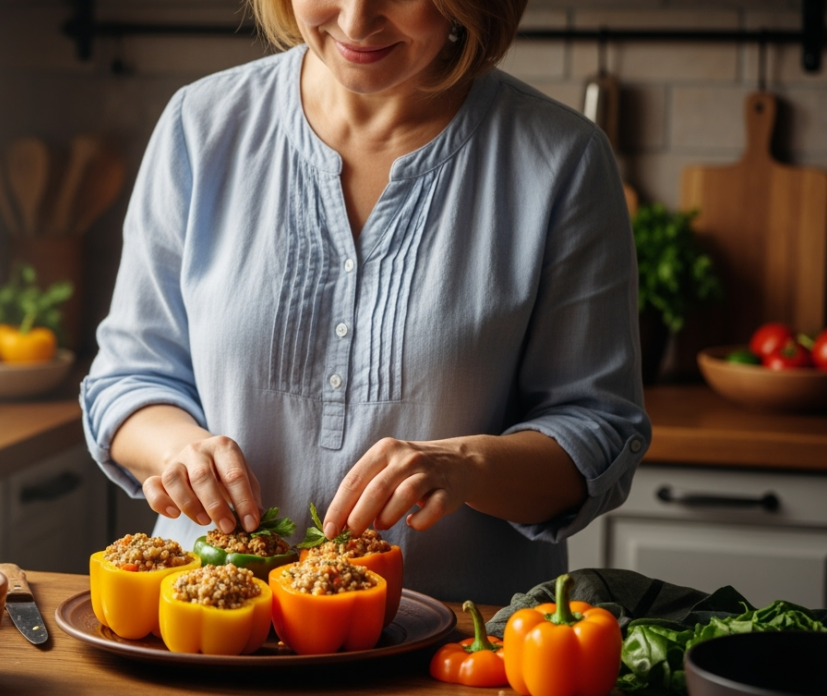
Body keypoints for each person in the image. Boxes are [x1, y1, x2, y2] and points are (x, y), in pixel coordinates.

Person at [79, 0, 651, 604]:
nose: (355, 20)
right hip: (211, 630)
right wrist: (177, 450)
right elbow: (128, 379)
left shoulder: (563, 160)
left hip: (457, 646)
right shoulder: (199, 125)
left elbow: (598, 431)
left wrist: (468, 466)